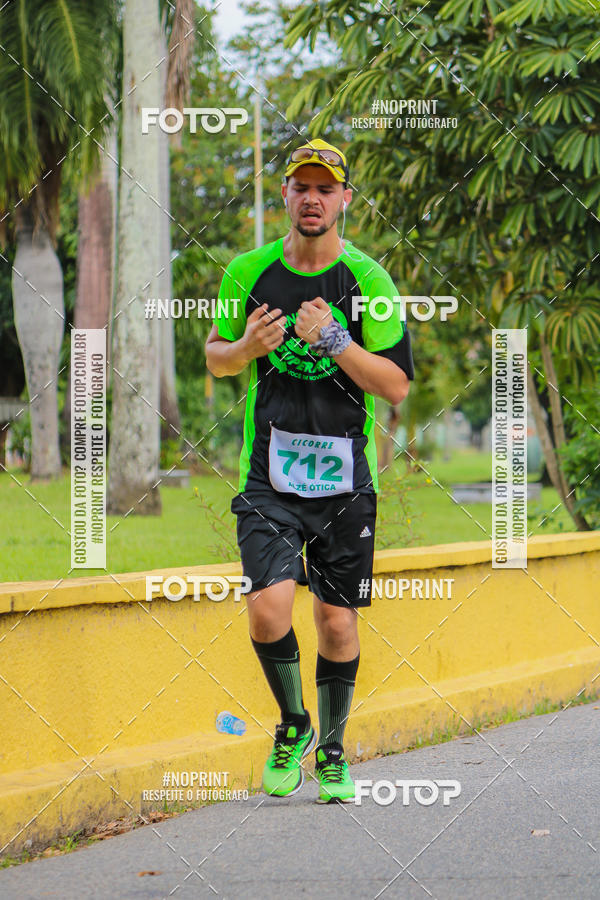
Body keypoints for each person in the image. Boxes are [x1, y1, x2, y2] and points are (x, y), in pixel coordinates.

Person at [205, 137, 414, 803]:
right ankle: (293, 722)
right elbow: (215, 358)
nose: (314, 197)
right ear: (287, 195)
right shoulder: (248, 271)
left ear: (345, 199)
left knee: (337, 623)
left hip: (346, 482)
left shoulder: (368, 281)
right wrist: (247, 346)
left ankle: (331, 750)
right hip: (268, 476)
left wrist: (332, 340)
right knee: (267, 609)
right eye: (303, 186)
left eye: (327, 188)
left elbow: (396, 385)